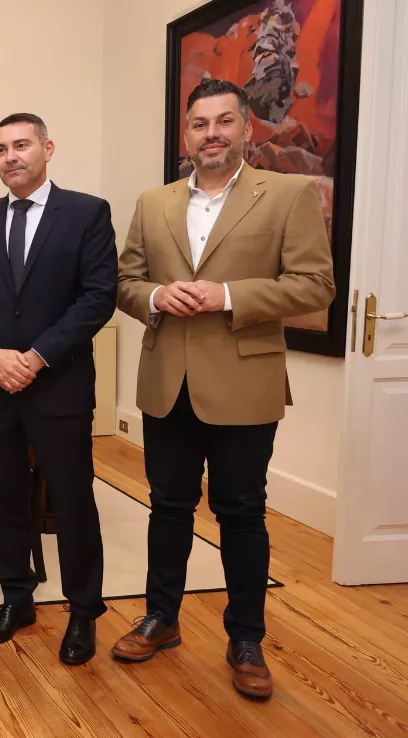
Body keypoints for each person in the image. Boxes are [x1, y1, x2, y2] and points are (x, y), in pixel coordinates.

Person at [113, 80, 334, 699]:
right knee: (168, 507)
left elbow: (316, 286)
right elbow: (126, 279)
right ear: (186, 135)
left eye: (224, 122)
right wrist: (155, 296)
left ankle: (246, 639)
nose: (211, 134)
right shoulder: (152, 202)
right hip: (167, 384)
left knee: (241, 512)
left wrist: (229, 295)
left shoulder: (287, 195)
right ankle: (161, 619)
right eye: (200, 125)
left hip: (244, 381)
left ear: (247, 130)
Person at [0, 113, 117, 665]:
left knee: (71, 502)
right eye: (1, 149)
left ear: (47, 148)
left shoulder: (87, 214)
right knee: (4, 497)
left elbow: (97, 298)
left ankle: (84, 612)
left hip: (59, 386)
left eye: (21, 145)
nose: (10, 157)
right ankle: (16, 599)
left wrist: (38, 356)